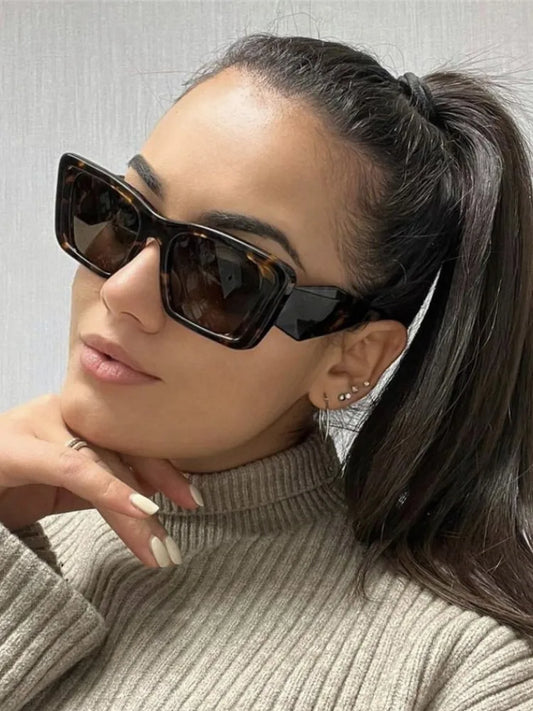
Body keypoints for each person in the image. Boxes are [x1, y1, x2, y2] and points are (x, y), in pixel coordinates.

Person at [1, 32, 532, 710]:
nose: (122, 291)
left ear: (350, 357)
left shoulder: (461, 675)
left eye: (222, 274)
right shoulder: (18, 516)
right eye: (119, 215)